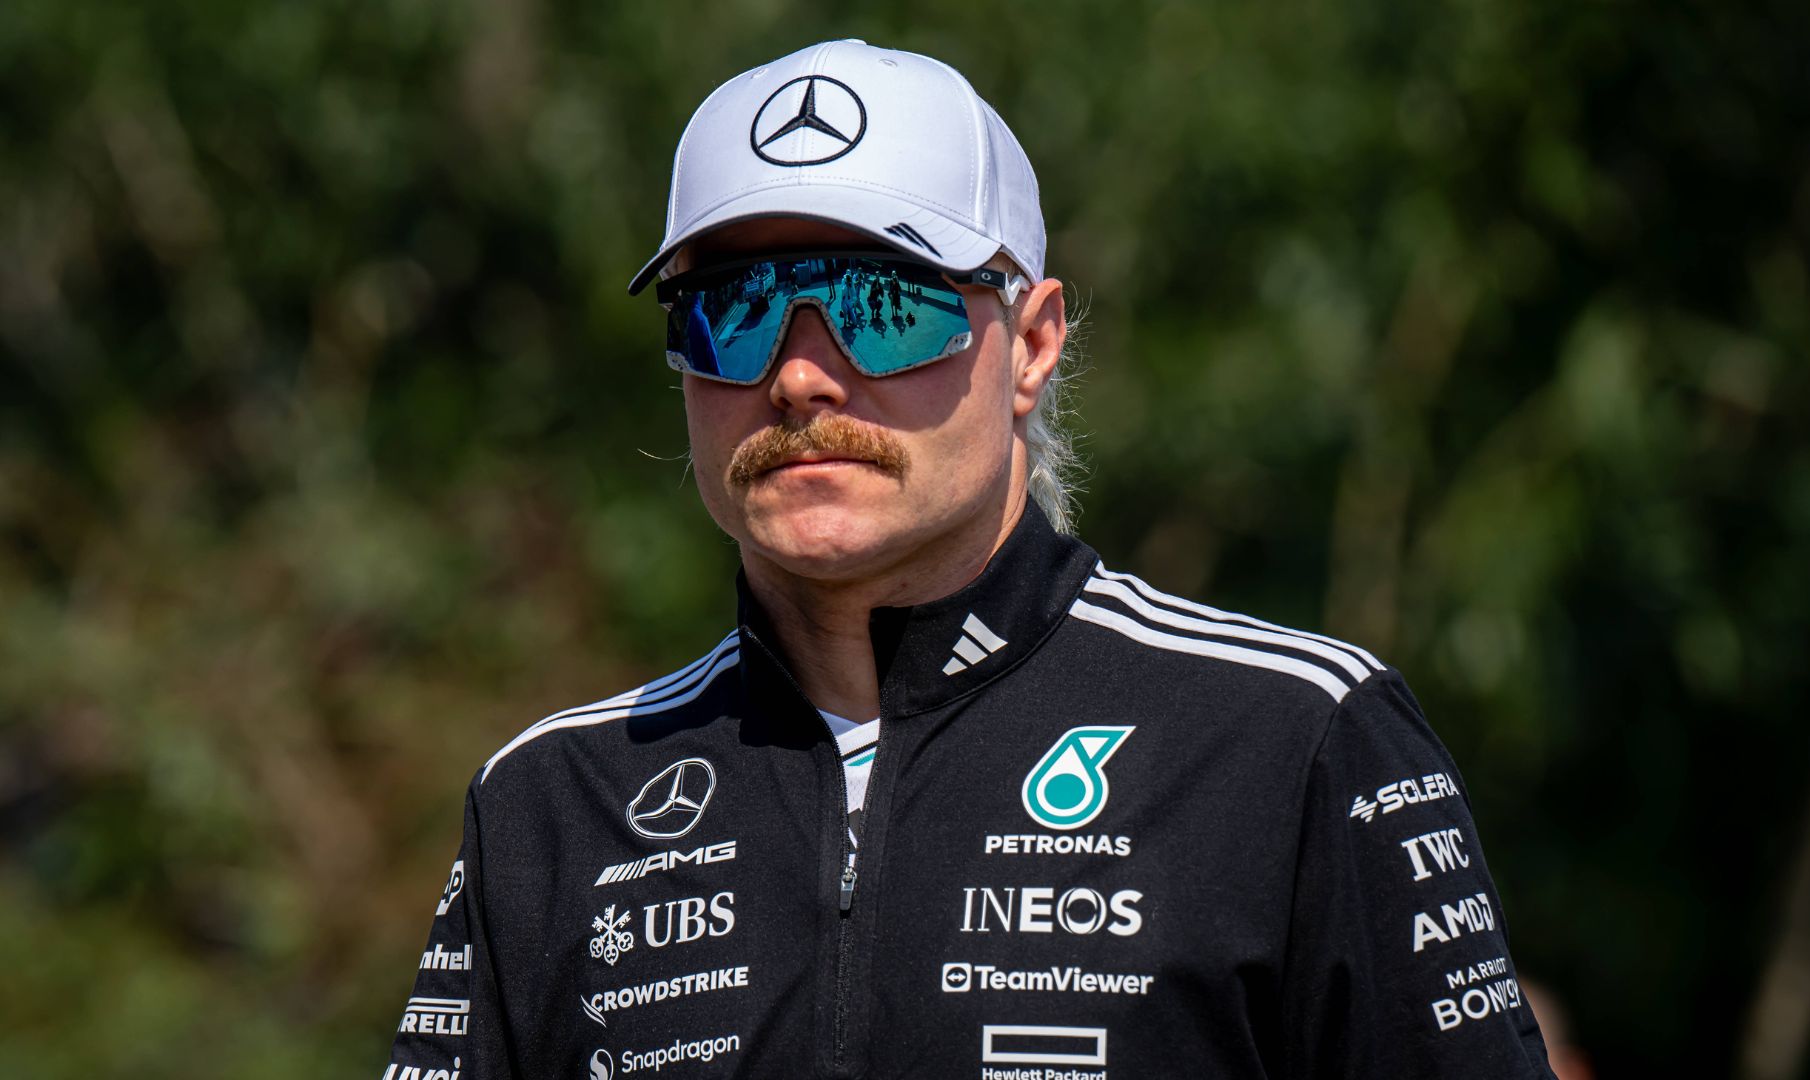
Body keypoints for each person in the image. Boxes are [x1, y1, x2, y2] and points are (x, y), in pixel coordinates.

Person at [383, 39, 1556, 1079]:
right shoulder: (547, 803)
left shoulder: (1296, 738)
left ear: (1033, 343)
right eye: (730, 312)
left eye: (882, 301)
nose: (799, 375)